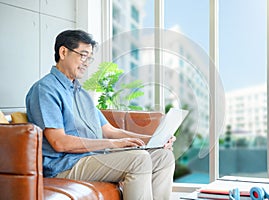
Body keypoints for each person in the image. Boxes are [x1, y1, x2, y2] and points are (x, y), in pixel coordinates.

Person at [26, 29, 175, 200]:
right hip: (64, 165)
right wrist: (112, 144)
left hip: (91, 158)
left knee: (163, 157)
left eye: (89, 58)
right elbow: (59, 142)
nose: (87, 63)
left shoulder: (80, 93)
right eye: (83, 55)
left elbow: (110, 130)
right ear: (63, 52)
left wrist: (154, 139)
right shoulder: (45, 90)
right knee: (139, 160)